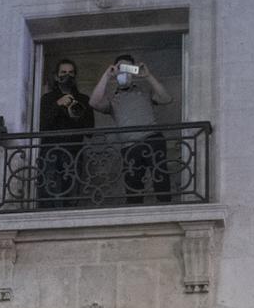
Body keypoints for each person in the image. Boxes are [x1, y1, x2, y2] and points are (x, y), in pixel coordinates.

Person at [89, 53, 173, 203]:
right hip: (129, 146)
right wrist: (107, 76)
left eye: (128, 69)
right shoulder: (112, 98)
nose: (124, 73)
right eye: (121, 68)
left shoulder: (144, 90)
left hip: (152, 139)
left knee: (161, 180)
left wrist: (148, 76)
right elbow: (94, 102)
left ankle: (166, 207)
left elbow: (166, 98)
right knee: (133, 188)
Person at [38, 59, 95, 207]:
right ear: (56, 76)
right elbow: (41, 126)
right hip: (50, 153)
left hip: (74, 153)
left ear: (75, 76)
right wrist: (58, 104)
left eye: (71, 72)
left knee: (72, 198)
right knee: (48, 196)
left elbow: (90, 131)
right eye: (63, 72)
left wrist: (76, 114)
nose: (67, 76)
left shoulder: (83, 99)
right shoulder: (47, 99)